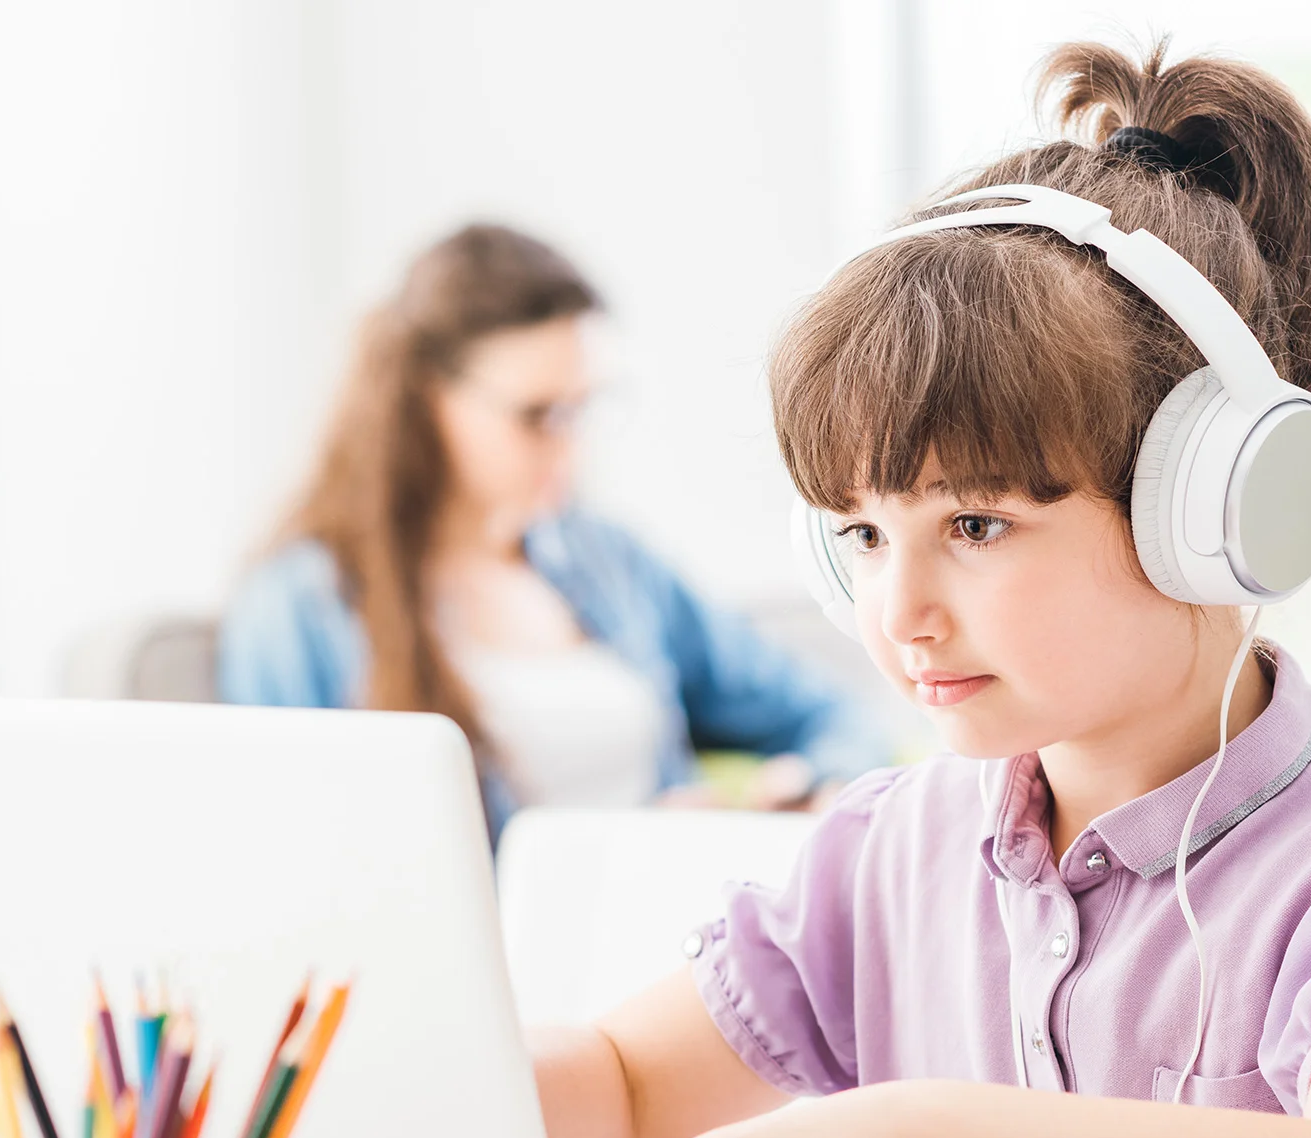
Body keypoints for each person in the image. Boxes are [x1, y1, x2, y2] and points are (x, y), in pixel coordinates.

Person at [533, 41, 1311, 1138]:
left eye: (976, 527)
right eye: (865, 536)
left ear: (1212, 510)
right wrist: (393, 1084)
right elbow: (615, 1082)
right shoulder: (893, 853)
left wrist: (926, 1136)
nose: (898, 613)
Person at [216, 225, 888, 843]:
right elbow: (295, 853)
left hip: (670, 935)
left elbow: (833, 714)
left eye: (581, 410)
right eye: (536, 416)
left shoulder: (609, 562)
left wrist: (808, 785)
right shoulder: (303, 605)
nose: (568, 450)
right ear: (425, 401)